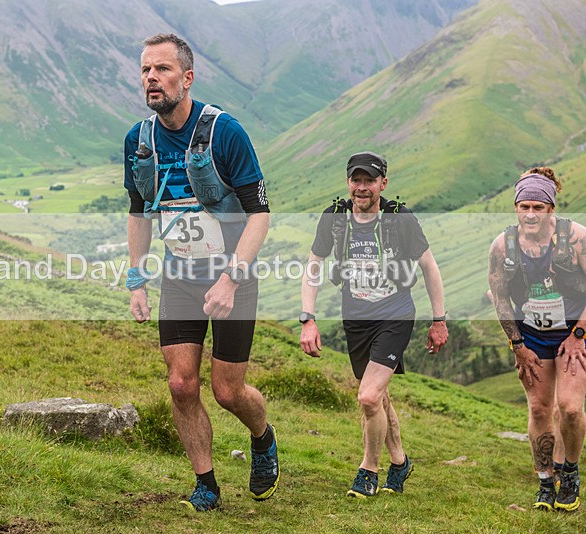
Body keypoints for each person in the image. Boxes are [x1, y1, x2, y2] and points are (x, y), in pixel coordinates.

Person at [123, 33, 277, 512]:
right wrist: (136, 279)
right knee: (180, 383)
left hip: (232, 276)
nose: (152, 77)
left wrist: (231, 278)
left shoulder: (224, 132)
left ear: (187, 78)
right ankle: (206, 482)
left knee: (228, 390)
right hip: (180, 277)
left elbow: (260, 213)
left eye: (163, 69)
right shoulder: (138, 139)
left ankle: (262, 435)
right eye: (147, 69)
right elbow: (137, 211)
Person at [300, 151, 448, 498]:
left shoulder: (400, 219)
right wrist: (308, 318)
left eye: (369, 180)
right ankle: (400, 461)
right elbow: (314, 266)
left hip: (395, 313)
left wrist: (439, 320)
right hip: (356, 316)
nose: (362, 187)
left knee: (367, 397)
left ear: (383, 183)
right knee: (378, 396)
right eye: (356, 180)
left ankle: (369, 470)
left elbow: (429, 267)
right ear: (348, 182)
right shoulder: (335, 217)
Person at [487, 167, 586, 511]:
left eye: (538, 207)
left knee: (570, 408)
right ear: (516, 207)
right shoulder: (503, 245)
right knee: (540, 407)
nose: (530, 214)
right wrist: (517, 345)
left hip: (574, 331)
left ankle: (570, 472)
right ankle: (546, 480)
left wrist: (578, 335)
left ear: (551, 209)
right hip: (532, 336)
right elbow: (498, 297)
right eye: (524, 206)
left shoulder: (576, 238)